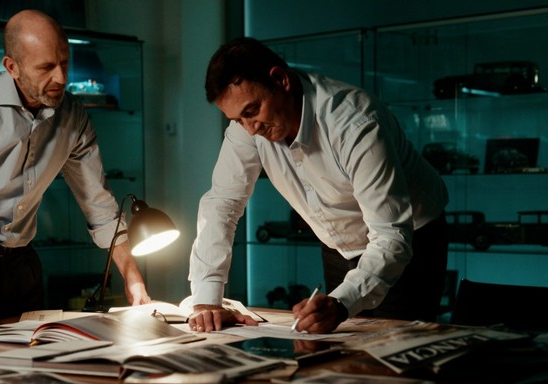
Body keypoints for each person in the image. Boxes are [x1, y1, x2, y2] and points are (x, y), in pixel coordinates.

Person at [187, 37, 449, 334]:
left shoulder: (354, 123)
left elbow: (391, 235)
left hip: (410, 237)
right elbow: (223, 203)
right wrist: (207, 300)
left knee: (395, 343)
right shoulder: (247, 126)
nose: (250, 129)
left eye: (251, 111)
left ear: (280, 80)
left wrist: (342, 302)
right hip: (339, 242)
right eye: (237, 119)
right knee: (339, 345)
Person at [0, 9, 151, 329]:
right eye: (46, 67)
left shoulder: (73, 115)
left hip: (21, 265)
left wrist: (132, 277)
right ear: (12, 67)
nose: (61, 78)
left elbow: (99, 204)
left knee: (34, 357)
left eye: (64, 63)